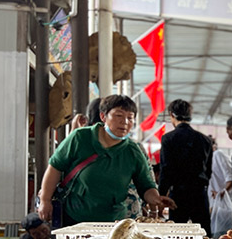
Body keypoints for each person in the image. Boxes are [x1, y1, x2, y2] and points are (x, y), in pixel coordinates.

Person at [37, 94, 175, 226]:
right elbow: (55, 167)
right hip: (75, 218)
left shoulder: (133, 151)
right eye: (118, 115)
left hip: (113, 222)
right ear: (103, 116)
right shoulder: (80, 138)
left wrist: (156, 198)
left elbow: (146, 185)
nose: (125, 122)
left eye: (130, 118)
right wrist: (45, 200)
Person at [158, 99, 213, 235]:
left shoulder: (168, 139)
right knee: (203, 235)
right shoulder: (205, 140)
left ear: (172, 115)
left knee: (177, 235)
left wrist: (161, 196)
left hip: (177, 196)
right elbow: (209, 170)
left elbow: (166, 170)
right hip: (199, 194)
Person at [208, 136, 232, 237]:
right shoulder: (207, 160)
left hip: (223, 207)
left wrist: (221, 193)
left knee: (223, 238)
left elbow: (230, 178)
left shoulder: (217, 155)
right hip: (215, 207)